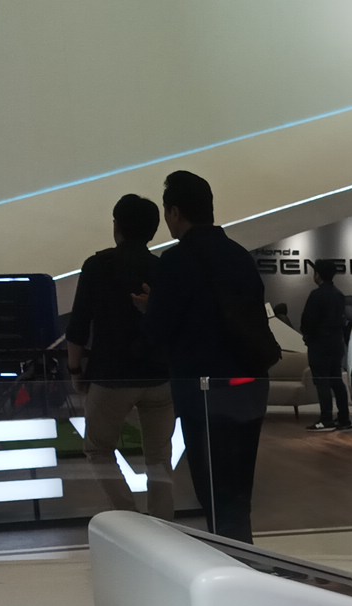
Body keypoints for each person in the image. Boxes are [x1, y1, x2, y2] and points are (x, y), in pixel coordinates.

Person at [137, 170, 273, 544]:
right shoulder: (239, 256)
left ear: (175, 212)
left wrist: (151, 308)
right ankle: (243, 556)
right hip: (249, 384)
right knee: (238, 490)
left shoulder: (175, 261)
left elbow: (158, 331)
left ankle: (232, 561)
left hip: (204, 391)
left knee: (212, 489)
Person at [65, 194, 175, 519]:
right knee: (159, 457)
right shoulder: (162, 268)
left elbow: (78, 325)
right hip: (159, 376)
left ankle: (128, 517)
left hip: (111, 375)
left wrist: (75, 369)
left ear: (117, 226)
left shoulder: (97, 266)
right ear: (153, 229)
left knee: (98, 450)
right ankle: (163, 524)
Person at [299, 261, 351, 431]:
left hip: (319, 344)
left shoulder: (316, 295)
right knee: (337, 380)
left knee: (322, 382)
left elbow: (308, 320)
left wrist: (307, 336)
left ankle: (326, 418)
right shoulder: (339, 294)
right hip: (336, 343)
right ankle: (344, 418)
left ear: (318, 275)